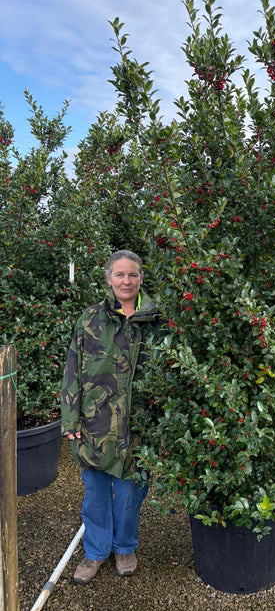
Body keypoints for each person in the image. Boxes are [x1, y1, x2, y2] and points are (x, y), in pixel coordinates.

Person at [61, 250, 161, 585]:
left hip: (139, 425)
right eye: (119, 274)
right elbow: (72, 369)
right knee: (95, 492)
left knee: (132, 492)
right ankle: (95, 551)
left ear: (141, 277)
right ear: (108, 278)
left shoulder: (157, 320)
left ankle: (125, 547)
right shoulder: (90, 318)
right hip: (96, 422)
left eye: (132, 274)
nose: (126, 281)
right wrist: (70, 419)